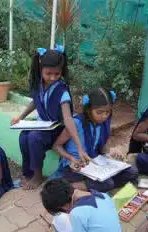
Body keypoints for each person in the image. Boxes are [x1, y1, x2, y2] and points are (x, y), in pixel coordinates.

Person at [11, 46, 90, 190]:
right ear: (41, 69)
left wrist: (79, 147)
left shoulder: (62, 91)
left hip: (56, 130)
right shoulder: (39, 83)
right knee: (23, 136)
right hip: (42, 126)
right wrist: (20, 117)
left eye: (57, 74)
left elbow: (68, 119)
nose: (52, 77)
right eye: (48, 73)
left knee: (34, 138)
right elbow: (36, 101)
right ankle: (28, 173)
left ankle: (38, 175)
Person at [53, 88, 138, 192]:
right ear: (89, 109)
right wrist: (71, 158)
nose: (104, 116)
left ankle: (98, 184)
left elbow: (100, 146)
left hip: (95, 162)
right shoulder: (76, 123)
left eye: (107, 112)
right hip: (76, 166)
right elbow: (57, 146)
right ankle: (71, 187)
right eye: (99, 112)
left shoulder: (103, 123)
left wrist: (111, 152)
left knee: (132, 172)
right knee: (107, 183)